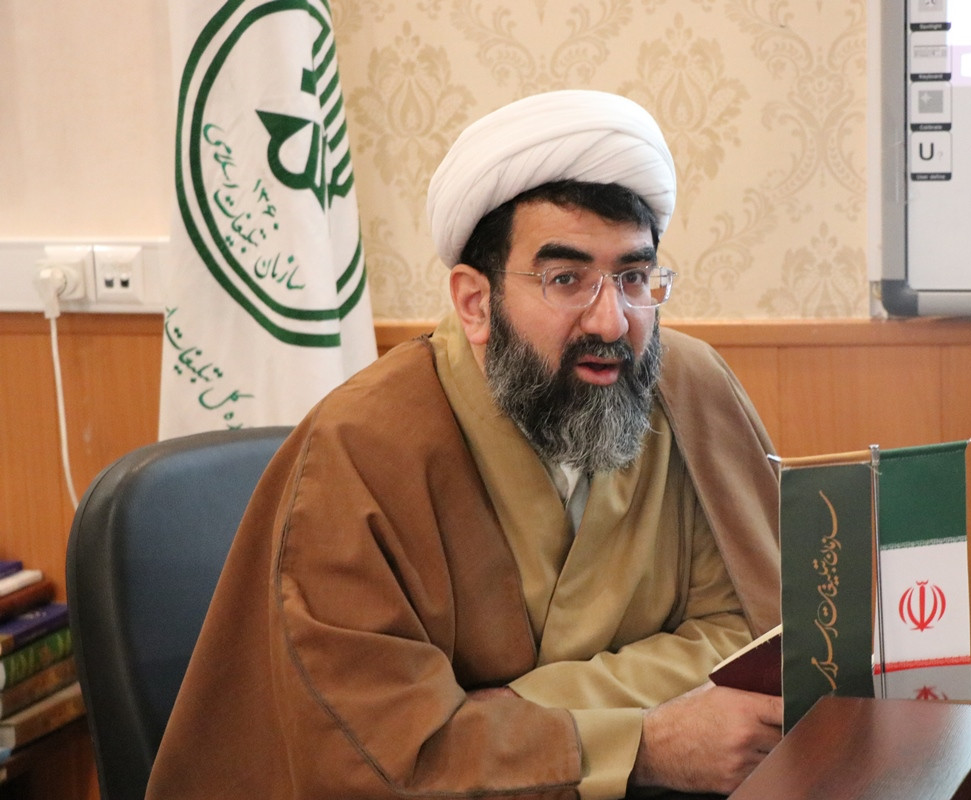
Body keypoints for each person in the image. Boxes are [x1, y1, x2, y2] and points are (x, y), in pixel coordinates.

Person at [147, 89, 782, 800]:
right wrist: (641, 745)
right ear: (475, 303)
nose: (611, 321)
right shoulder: (358, 447)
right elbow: (383, 756)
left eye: (633, 278)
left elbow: (753, 632)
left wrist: (529, 708)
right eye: (565, 279)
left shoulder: (686, 389)